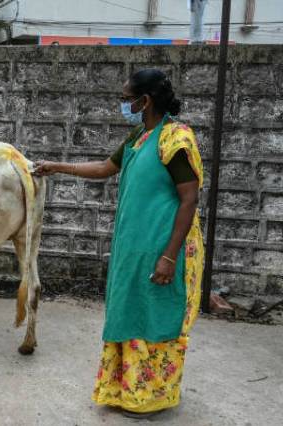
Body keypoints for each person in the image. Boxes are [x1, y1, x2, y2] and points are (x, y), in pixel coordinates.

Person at [35, 69, 204, 418]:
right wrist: (57, 166)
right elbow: (104, 167)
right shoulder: (139, 134)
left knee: (154, 316)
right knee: (128, 311)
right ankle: (125, 390)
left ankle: (150, 398)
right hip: (134, 244)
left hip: (163, 245)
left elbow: (189, 199)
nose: (123, 104)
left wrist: (169, 257)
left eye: (127, 99)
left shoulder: (175, 140)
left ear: (146, 100)